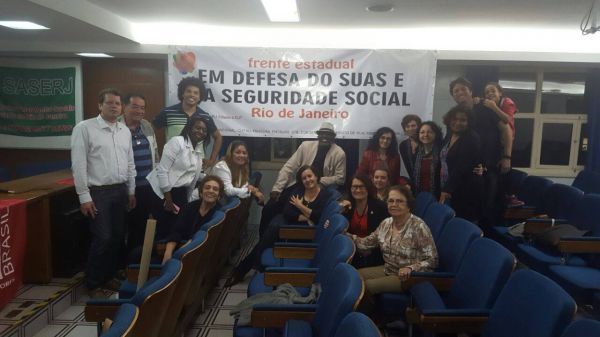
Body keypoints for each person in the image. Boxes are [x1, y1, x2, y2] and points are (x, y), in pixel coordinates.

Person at [71, 88, 136, 298]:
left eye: (118, 103)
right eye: (110, 103)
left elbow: (130, 163)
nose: (114, 106)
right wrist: (84, 196)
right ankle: (93, 283)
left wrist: (131, 191)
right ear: (100, 105)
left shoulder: (124, 130)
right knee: (103, 238)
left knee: (117, 237)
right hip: (97, 192)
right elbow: (78, 164)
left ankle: (108, 276)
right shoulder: (85, 128)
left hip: (120, 190)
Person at [227, 165, 331, 286]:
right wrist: (306, 216)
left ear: (316, 176)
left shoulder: (324, 195)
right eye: (304, 178)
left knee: (267, 239)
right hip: (287, 220)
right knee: (268, 237)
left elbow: (319, 216)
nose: (307, 180)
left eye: (310, 176)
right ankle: (252, 269)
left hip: (302, 230)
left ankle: (242, 270)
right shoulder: (299, 190)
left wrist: (299, 206)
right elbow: (287, 211)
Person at [348, 185, 437, 313]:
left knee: (366, 286)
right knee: (355, 275)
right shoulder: (386, 223)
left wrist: (411, 268)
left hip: (406, 277)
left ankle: (367, 320)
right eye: (391, 201)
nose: (394, 204)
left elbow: (432, 259)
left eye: (399, 201)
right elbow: (366, 243)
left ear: (409, 205)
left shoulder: (419, 227)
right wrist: (348, 236)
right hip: (388, 268)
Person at [450, 77, 513, 227]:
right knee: (469, 211)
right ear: (453, 96)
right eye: (455, 91)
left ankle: (487, 245)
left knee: (488, 209)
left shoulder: (486, 107)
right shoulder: (457, 114)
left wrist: (507, 157)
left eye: (463, 89)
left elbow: (507, 130)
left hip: (490, 166)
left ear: (471, 91)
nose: (460, 93)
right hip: (469, 171)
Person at [262, 122, 345, 235]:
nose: (324, 137)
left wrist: (318, 180)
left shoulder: (339, 153)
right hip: (299, 185)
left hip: (319, 190)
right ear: (318, 135)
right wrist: (277, 188)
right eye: (322, 134)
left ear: (333, 137)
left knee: (291, 212)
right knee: (269, 207)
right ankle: (263, 238)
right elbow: (288, 167)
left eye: (328, 134)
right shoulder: (305, 146)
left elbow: (341, 178)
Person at [147, 116, 208, 238]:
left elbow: (192, 176)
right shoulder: (177, 142)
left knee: (177, 228)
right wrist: (168, 199)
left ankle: (170, 254)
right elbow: (162, 171)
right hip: (163, 192)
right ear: (190, 128)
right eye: (198, 127)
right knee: (164, 229)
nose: (200, 131)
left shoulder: (197, 150)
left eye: (204, 130)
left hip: (179, 192)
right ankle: (159, 255)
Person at [119, 93, 161, 253]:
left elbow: (155, 153)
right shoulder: (116, 126)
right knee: (122, 227)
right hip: (124, 186)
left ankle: (133, 263)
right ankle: (120, 265)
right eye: (135, 106)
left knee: (140, 226)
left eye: (142, 108)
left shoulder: (146, 125)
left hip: (146, 186)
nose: (139, 111)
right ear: (124, 107)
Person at [153, 77, 222, 168]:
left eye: (196, 93)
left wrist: (211, 161)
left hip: (197, 164)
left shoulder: (205, 116)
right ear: (182, 93)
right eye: (188, 91)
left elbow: (218, 137)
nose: (192, 95)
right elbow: (150, 131)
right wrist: (155, 154)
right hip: (173, 163)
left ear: (200, 97)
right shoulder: (168, 112)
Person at [161, 175, 224, 264]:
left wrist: (181, 252)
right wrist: (168, 253)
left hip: (200, 256)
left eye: (215, 189)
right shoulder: (189, 207)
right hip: (179, 247)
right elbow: (176, 231)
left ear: (219, 196)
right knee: (138, 253)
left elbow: (204, 238)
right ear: (201, 192)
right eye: (207, 188)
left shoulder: (219, 213)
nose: (211, 191)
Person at [439, 106, 483, 221]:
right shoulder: (450, 134)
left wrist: (446, 189)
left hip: (464, 190)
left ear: (469, 122)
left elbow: (461, 167)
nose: (458, 122)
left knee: (461, 224)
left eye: (463, 120)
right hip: (449, 185)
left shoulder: (472, 138)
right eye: (455, 119)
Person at [339, 174, 388, 268]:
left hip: (373, 253)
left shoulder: (380, 207)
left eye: (361, 187)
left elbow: (383, 235)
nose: (358, 190)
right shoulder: (346, 207)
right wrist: (340, 207)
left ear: (368, 188)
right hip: (351, 251)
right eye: (354, 187)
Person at [412, 121, 443, 198]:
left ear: (436, 134)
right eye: (422, 132)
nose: (425, 135)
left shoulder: (442, 152)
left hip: (437, 195)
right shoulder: (416, 152)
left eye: (430, 132)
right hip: (418, 195)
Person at [398, 114, 422, 181]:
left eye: (413, 126)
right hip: (412, 181)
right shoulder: (403, 145)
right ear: (404, 129)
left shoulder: (426, 142)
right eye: (407, 126)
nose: (410, 128)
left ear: (419, 127)